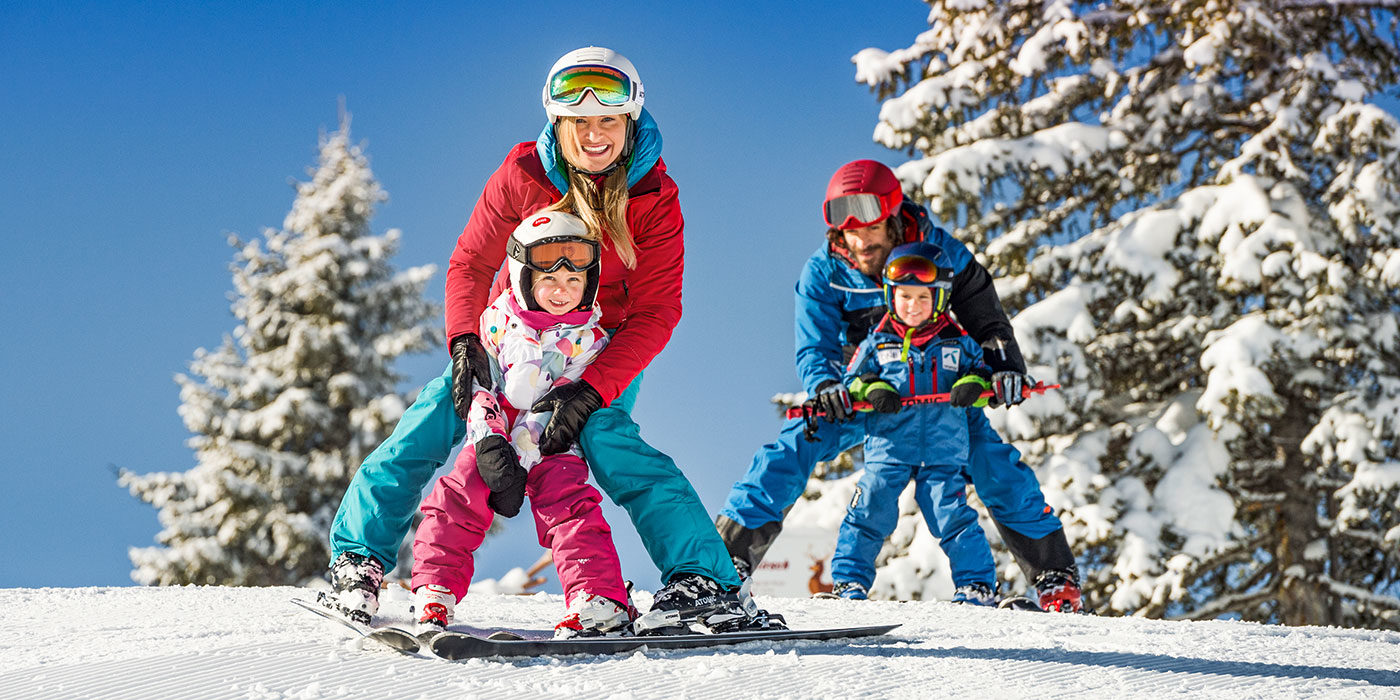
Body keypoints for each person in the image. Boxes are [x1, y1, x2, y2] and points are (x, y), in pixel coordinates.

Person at [325, 46, 772, 633]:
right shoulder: (522, 176)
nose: (593, 134)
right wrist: (465, 345)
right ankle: (358, 560)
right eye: (578, 121)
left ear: (630, 120)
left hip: (594, 351)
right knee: (432, 419)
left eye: (607, 120)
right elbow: (469, 265)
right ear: (558, 123)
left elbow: (657, 311)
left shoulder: (654, 201)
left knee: (610, 441)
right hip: (509, 339)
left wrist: (591, 389)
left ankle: (704, 581)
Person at [716, 159, 1083, 613]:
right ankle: (722, 565)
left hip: (942, 393)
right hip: (870, 395)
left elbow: (986, 318)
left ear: (891, 217)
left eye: (869, 226)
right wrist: (827, 387)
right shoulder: (825, 272)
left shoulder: (940, 252)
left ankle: (1054, 580)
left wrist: (1003, 367)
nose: (859, 240)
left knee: (995, 464)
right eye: (846, 228)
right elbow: (814, 345)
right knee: (791, 448)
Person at [410, 211, 633, 639]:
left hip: (551, 438)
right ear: (524, 277)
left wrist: (526, 449)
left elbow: (563, 396)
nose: (562, 292)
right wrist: (492, 442)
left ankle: (597, 597)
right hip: (492, 431)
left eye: (574, 282)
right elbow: (481, 385)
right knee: (460, 493)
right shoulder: (495, 322)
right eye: (549, 279)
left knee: (569, 504)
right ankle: (434, 586)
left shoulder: (590, 341)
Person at [826, 241, 1001, 605]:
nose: (913, 306)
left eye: (923, 298)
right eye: (905, 297)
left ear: (938, 299)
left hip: (943, 449)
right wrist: (873, 388)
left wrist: (973, 384)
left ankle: (977, 585)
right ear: (892, 297)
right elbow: (853, 379)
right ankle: (848, 583)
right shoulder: (878, 343)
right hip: (889, 447)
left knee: (951, 515)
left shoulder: (957, 343)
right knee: (870, 507)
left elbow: (983, 372)